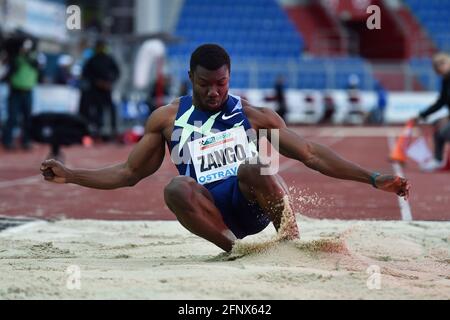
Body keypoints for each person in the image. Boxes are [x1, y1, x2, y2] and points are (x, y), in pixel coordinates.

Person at [41, 44, 410, 252]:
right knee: (175, 187)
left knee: (254, 166)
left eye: (221, 83)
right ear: (190, 79)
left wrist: (374, 177)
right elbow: (128, 173)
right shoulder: (167, 119)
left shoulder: (252, 114)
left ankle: (289, 242)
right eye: (205, 84)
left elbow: (311, 153)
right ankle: (236, 250)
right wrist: (71, 176)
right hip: (210, 215)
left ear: (229, 78)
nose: (214, 91)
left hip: (254, 204)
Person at [411, 53, 450, 172]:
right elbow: (441, 102)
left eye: (442, 64)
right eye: (437, 67)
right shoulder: (445, 81)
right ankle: (437, 161)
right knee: (438, 131)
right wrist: (422, 115)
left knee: (444, 132)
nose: (440, 68)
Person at [1, 34, 40, 151]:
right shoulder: (15, 59)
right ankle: (7, 141)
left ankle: (26, 141)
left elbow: (37, 66)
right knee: (12, 118)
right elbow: (9, 72)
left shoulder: (33, 58)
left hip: (28, 91)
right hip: (16, 91)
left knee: (27, 118)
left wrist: (27, 53)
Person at [79, 39, 120, 141]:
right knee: (97, 111)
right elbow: (86, 74)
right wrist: (97, 82)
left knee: (111, 109)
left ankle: (113, 131)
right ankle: (97, 132)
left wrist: (110, 82)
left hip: (107, 89)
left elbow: (117, 72)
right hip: (95, 90)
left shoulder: (109, 59)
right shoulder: (92, 60)